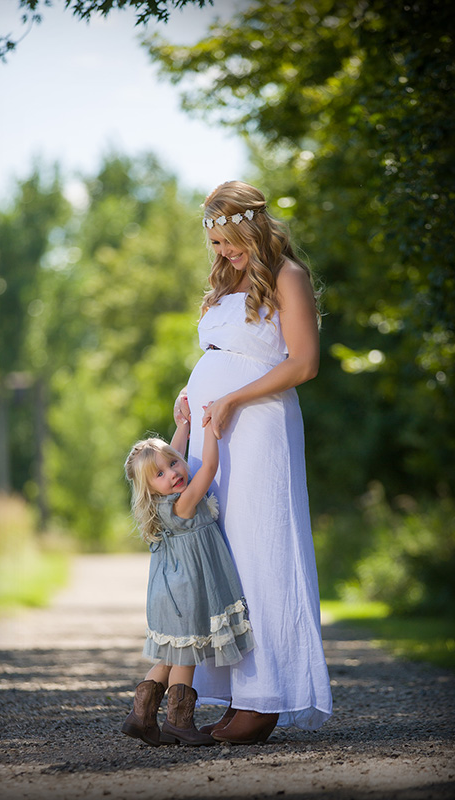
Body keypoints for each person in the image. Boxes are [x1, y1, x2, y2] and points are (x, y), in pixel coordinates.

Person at [173, 180, 333, 745]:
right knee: (222, 554)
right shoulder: (226, 281)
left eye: (230, 240)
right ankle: (239, 692)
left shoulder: (289, 276)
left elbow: (304, 363)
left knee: (261, 548)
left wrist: (236, 397)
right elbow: (220, 353)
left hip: (259, 427)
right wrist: (191, 397)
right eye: (214, 243)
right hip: (212, 429)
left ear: (254, 226)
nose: (222, 252)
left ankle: (266, 698)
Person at [121, 408, 255, 747]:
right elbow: (208, 468)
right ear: (151, 488)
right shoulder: (183, 504)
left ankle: (141, 716)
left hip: (169, 593)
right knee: (184, 658)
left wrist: (183, 426)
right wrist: (209, 429)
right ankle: (179, 723)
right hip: (187, 594)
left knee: (170, 656)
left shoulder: (162, 505)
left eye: (174, 464)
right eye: (161, 474)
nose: (173, 474)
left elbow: (173, 453)